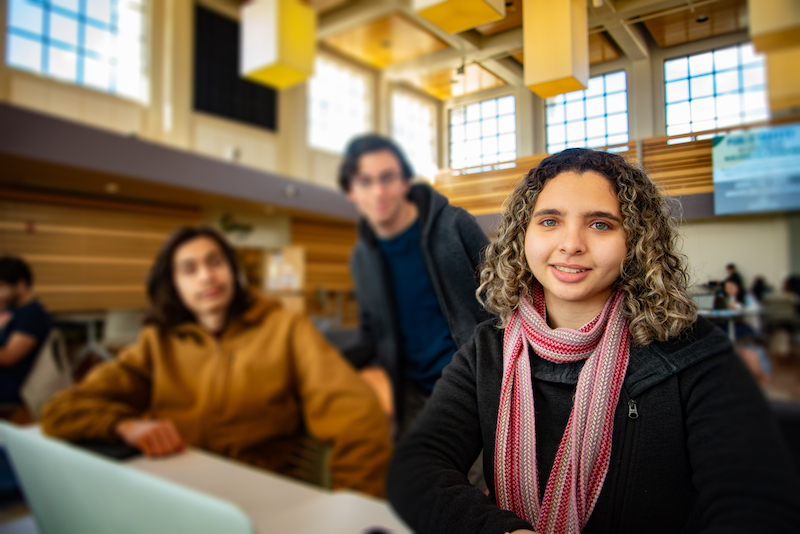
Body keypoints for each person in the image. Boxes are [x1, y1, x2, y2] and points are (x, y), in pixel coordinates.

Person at [386, 148, 800, 533]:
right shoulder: (488, 349)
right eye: (550, 221)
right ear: (521, 236)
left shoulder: (693, 351)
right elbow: (417, 466)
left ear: (636, 242)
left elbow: (752, 504)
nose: (571, 244)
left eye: (600, 224)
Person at [41, 226, 391, 497]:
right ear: (174, 285)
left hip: (264, 497)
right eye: (189, 269)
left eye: (215, 262)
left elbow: (360, 419)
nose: (206, 276)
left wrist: (352, 509)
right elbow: (61, 410)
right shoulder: (157, 342)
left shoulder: (286, 329)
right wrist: (121, 425)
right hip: (173, 495)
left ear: (233, 272)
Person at [338, 134, 490, 436]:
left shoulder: (454, 225)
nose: (379, 191)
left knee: (476, 481)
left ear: (405, 182)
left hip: (471, 389)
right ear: (351, 192)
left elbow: (505, 297)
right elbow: (372, 334)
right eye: (365, 181)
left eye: (387, 178)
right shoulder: (362, 257)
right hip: (412, 400)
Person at [0, 256, 52, 406]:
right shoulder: (10, 309)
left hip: (13, 385)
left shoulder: (33, 315)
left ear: (20, 284)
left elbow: (8, 358)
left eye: (2, 286)